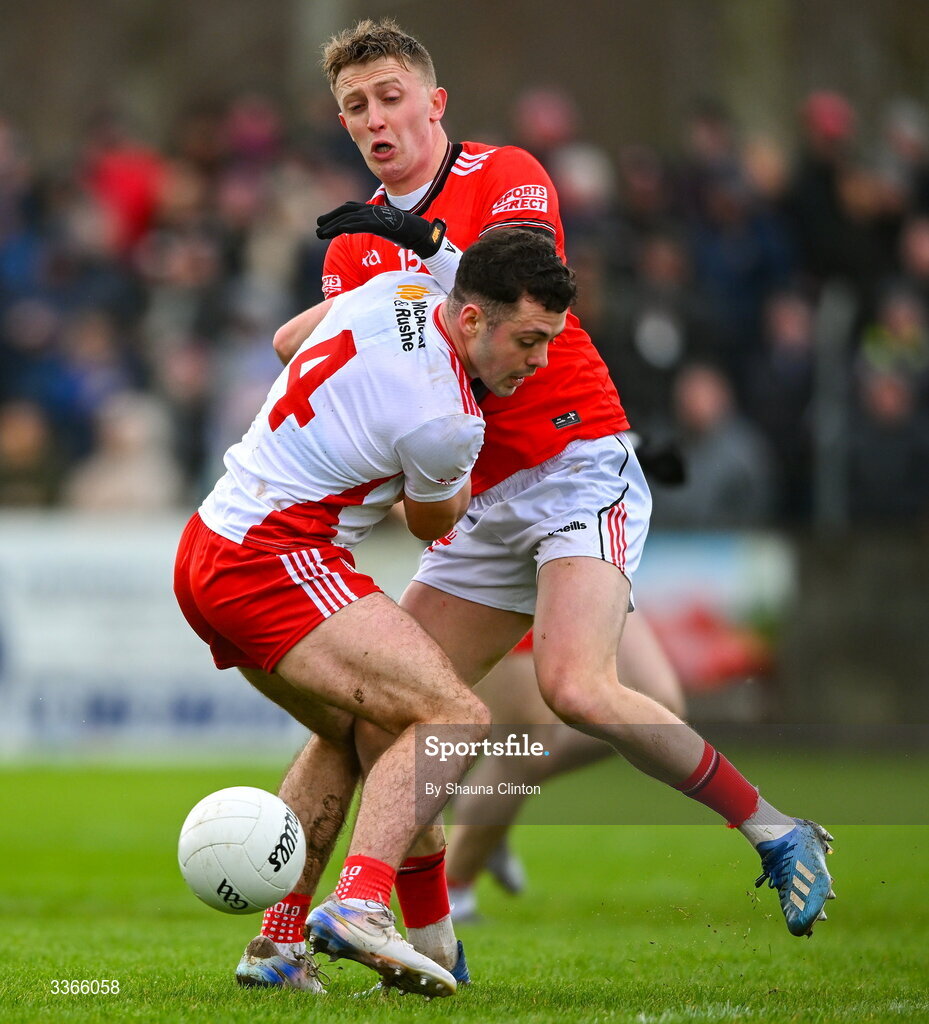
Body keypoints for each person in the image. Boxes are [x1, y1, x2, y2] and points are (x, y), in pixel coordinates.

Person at [247, 18, 836, 993]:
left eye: (391, 96)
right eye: (355, 107)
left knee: (574, 686)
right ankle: (332, 940)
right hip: (474, 496)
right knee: (372, 713)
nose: (374, 119)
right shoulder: (352, 246)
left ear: (433, 103)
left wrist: (416, 253)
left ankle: (774, 831)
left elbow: (518, 288)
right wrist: (333, 316)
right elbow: (319, 353)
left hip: (573, 463)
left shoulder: (505, 173)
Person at [175, 227, 576, 997]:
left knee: (359, 731)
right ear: (470, 322)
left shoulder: (399, 291)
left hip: (207, 543)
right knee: (453, 717)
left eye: (549, 341)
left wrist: (351, 419)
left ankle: (278, 946)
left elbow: (291, 338)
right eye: (528, 340)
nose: (538, 361)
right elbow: (433, 525)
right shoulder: (450, 423)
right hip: (274, 557)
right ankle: (360, 903)